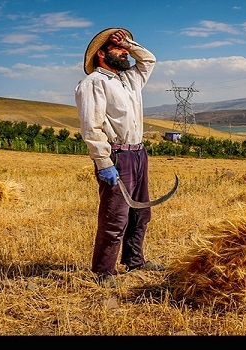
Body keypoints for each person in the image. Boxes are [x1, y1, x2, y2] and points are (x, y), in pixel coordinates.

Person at [74, 28, 164, 288]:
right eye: (117, 48)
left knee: (141, 212)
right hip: (116, 155)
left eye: (126, 48)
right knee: (116, 216)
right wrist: (104, 163)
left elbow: (148, 59)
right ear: (101, 54)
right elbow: (92, 127)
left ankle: (134, 261)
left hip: (138, 153)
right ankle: (103, 271)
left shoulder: (129, 79)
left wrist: (127, 42)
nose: (125, 52)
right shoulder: (93, 83)